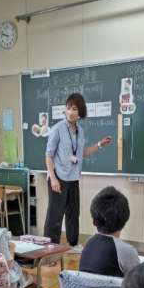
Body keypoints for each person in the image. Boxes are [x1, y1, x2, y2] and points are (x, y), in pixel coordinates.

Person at [44, 93, 112, 254]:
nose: (70, 112)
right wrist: (53, 178)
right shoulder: (57, 129)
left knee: (73, 213)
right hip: (58, 177)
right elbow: (48, 155)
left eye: (74, 109)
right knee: (55, 215)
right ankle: (50, 248)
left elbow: (82, 153)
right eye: (68, 108)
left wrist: (99, 145)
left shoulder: (80, 131)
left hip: (73, 177)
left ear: (80, 112)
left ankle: (73, 244)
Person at [80, 186, 139, 277]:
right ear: (124, 220)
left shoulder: (88, 243)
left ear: (94, 222)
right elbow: (137, 282)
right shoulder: (127, 251)